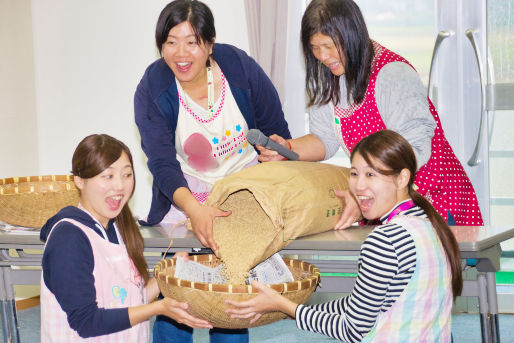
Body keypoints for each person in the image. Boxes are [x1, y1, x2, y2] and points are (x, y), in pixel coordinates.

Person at [134, 0, 290, 341]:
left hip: (243, 191)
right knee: (178, 290)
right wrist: (195, 209)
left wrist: (277, 153)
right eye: (171, 42)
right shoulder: (154, 86)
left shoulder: (239, 68)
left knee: (230, 295)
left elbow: (277, 130)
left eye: (192, 41)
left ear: (210, 43)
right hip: (186, 193)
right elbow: (161, 162)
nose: (181, 53)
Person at [257, 0, 483, 227]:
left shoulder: (392, 74)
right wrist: (288, 149)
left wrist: (365, 190)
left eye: (328, 45)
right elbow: (324, 139)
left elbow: (415, 148)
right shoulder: (329, 77)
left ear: (352, 36)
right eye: (315, 48)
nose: (323, 56)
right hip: (382, 201)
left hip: (429, 199)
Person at [226, 129, 463, 342]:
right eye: (354, 173)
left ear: (402, 178)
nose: (359, 186)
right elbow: (360, 305)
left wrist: (285, 307)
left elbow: (353, 329)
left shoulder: (385, 241)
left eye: (371, 175)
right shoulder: (431, 225)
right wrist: (290, 307)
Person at [40, 134, 212, 342]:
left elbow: (133, 300)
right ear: (79, 181)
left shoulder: (120, 229)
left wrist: (165, 275)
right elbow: (86, 321)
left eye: (127, 175)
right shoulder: (69, 238)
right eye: (108, 176)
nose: (120, 186)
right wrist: (158, 308)